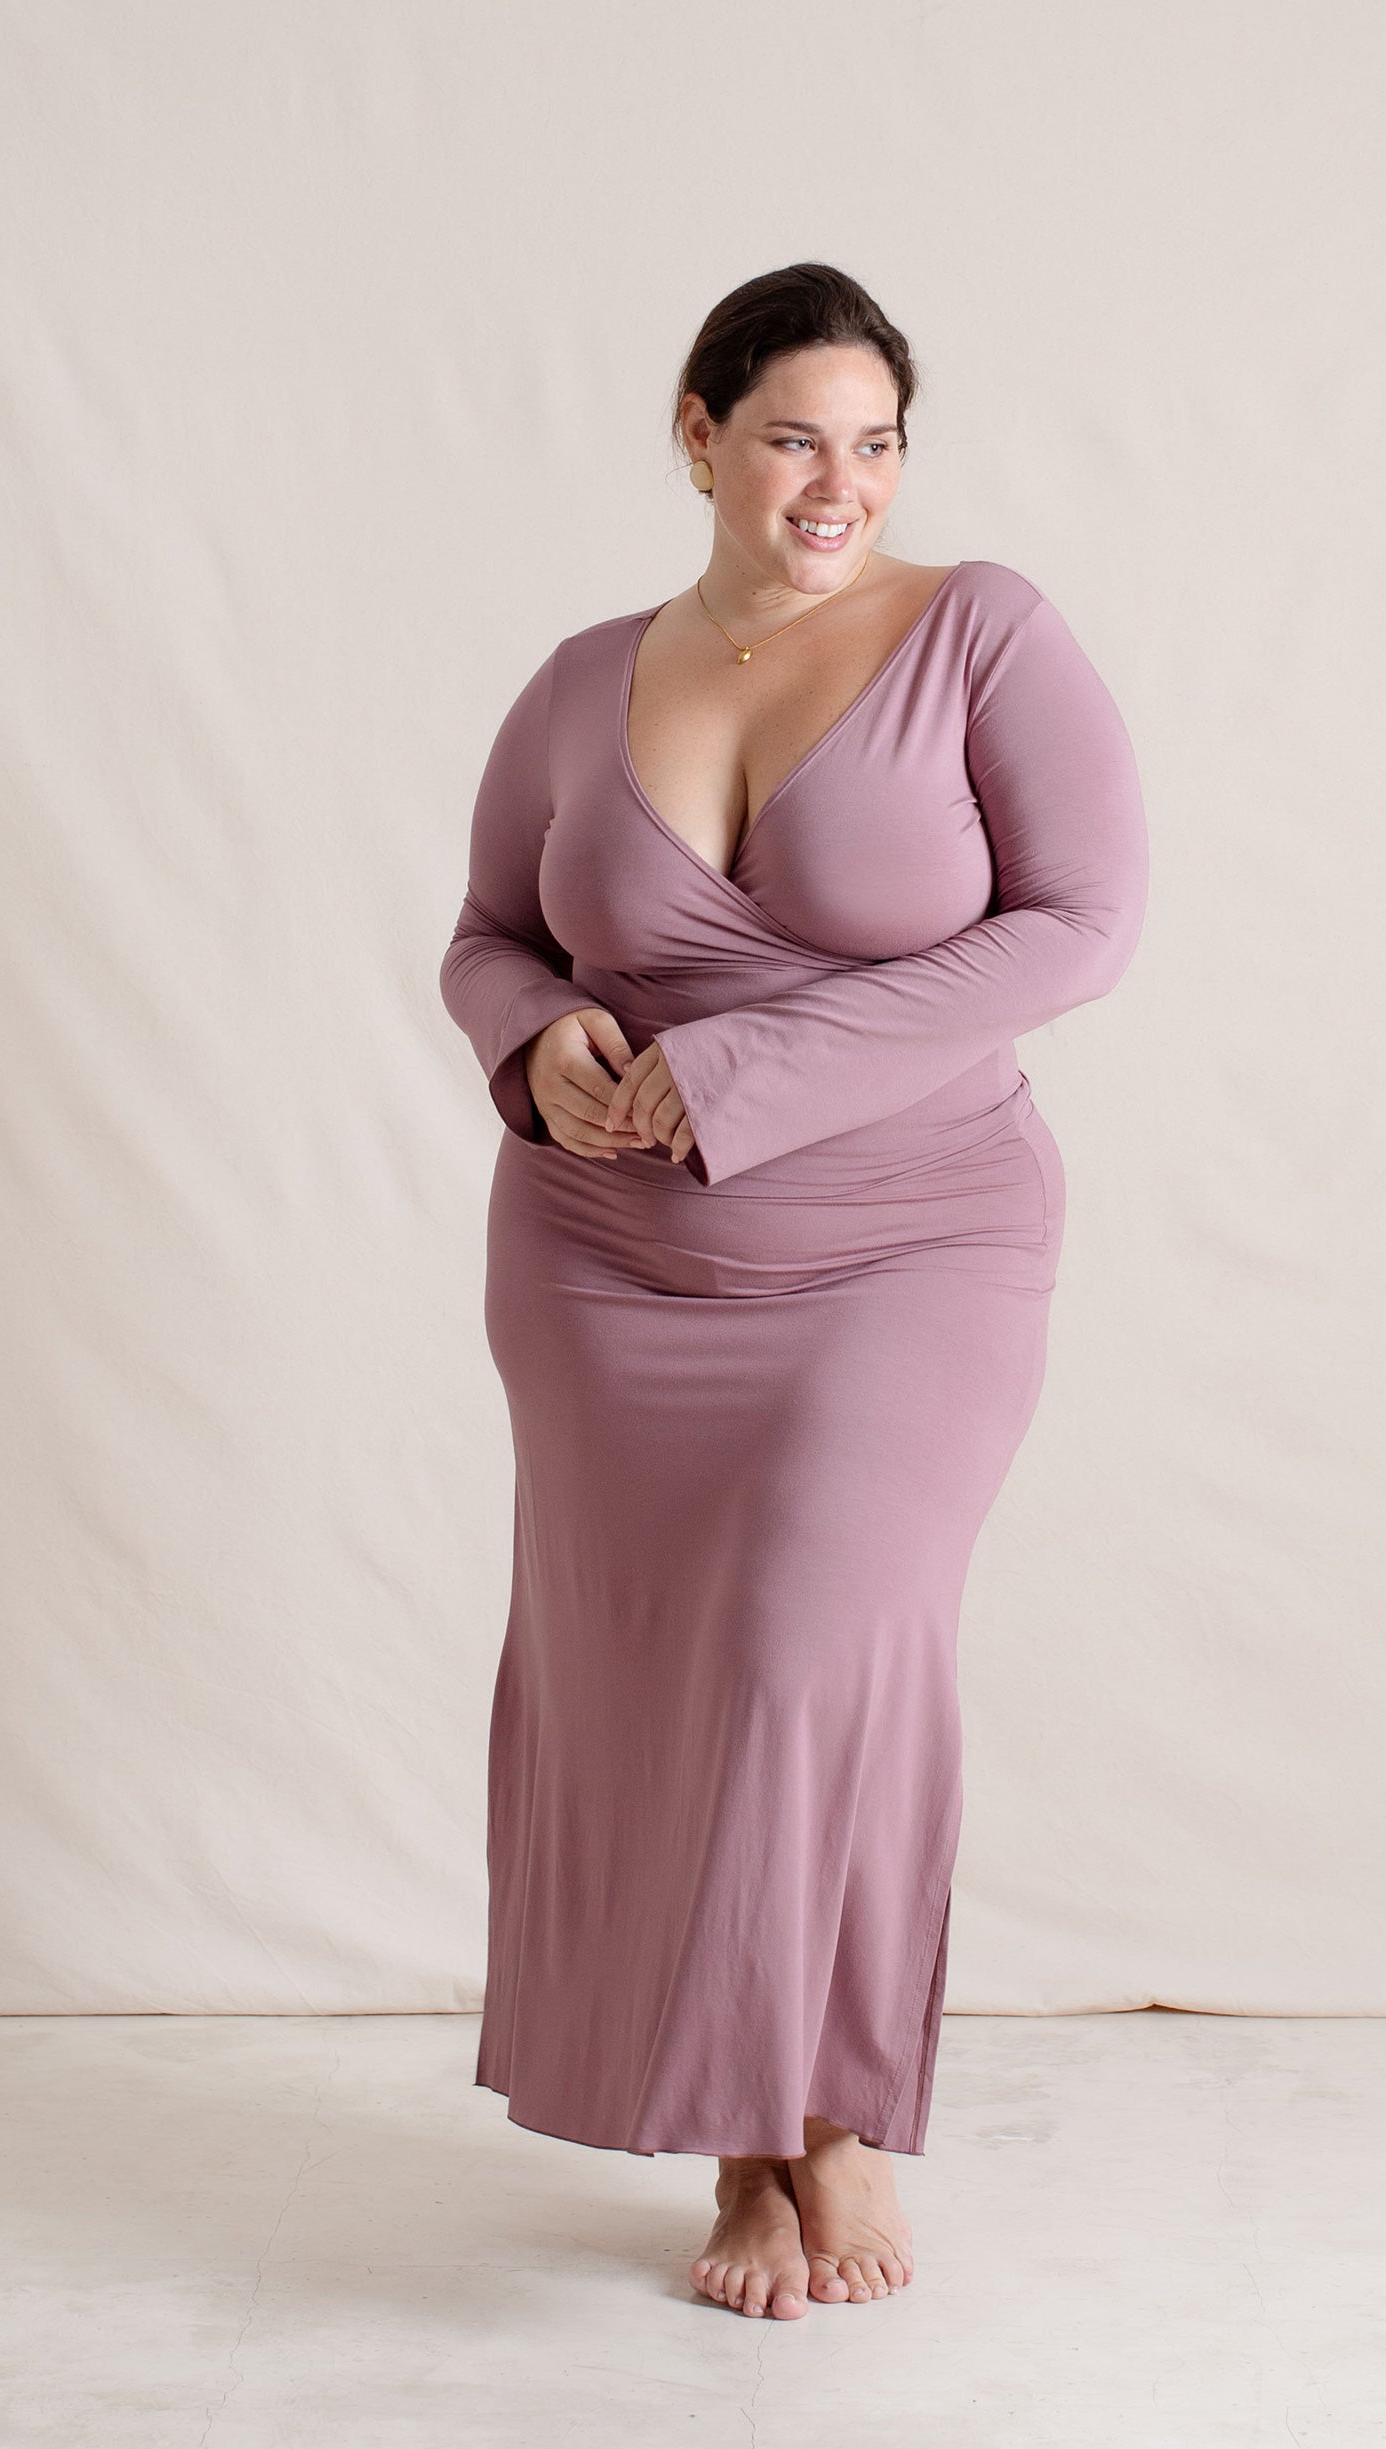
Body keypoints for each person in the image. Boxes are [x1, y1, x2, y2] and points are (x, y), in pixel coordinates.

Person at [438, 261, 1149, 2323]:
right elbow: (487, 931)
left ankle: (831, 2112)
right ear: (698, 435)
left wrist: (755, 1064)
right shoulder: (584, 680)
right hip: (604, 1260)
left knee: (804, 1648)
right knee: (654, 1685)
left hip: (914, 1240)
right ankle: (744, 2146)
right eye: (791, 439)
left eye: (876, 442)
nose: (839, 482)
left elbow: (1083, 924)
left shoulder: (982, 632)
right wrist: (535, 1037)